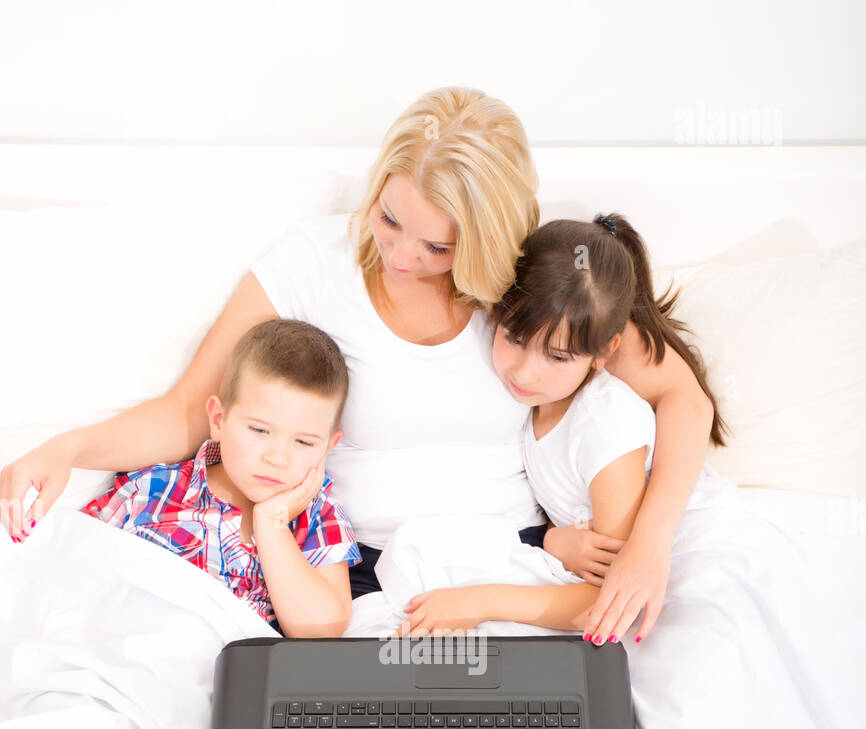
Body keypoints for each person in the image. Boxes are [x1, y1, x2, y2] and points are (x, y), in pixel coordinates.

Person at [0, 87, 718, 641]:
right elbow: (195, 410)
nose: (404, 258)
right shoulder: (315, 265)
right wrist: (69, 447)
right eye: (389, 219)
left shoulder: (530, 290)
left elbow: (683, 399)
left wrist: (647, 550)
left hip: (507, 568)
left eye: (440, 249)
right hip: (361, 580)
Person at [392, 212, 725, 640]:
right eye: (513, 337)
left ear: (605, 353)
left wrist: (477, 601)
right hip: (605, 592)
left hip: (684, 564)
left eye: (557, 356)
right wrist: (553, 542)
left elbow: (608, 597)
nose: (526, 373)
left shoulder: (603, 420)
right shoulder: (549, 397)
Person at [81, 319, 361, 637]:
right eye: (259, 430)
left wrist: (272, 524)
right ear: (218, 420)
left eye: (304, 442)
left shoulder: (319, 518)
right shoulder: (150, 491)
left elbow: (320, 631)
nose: (278, 458)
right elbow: (73, 573)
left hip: (229, 678)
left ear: (328, 447)